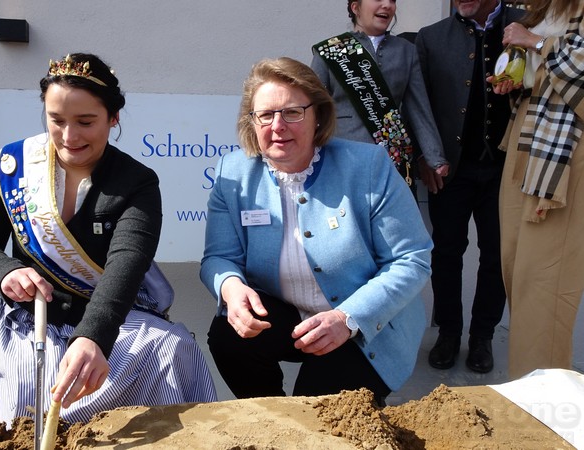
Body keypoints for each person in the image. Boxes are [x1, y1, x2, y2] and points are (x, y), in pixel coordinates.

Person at [0, 53, 216, 426]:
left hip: (107, 313)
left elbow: (126, 265)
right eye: (56, 120)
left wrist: (93, 337)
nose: (69, 136)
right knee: (28, 375)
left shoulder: (137, 182)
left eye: (85, 122)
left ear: (113, 119)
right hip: (32, 316)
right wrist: (3, 270)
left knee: (173, 350)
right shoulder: (16, 165)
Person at [200, 57, 432, 406]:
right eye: (266, 115)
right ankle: (272, 419)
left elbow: (411, 260)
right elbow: (219, 257)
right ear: (252, 121)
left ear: (318, 115)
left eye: (293, 112)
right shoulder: (233, 173)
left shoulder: (368, 166)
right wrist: (230, 287)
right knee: (227, 338)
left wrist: (347, 318)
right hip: (290, 314)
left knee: (319, 411)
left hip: (364, 329)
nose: (277, 126)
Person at [415, 0, 524, 373]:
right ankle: (448, 333)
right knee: (446, 254)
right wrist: (423, 159)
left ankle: (483, 337)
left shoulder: (527, 26)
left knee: (497, 256)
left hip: (506, 169)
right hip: (450, 169)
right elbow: (419, 105)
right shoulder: (431, 39)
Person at [490, 0, 584, 379]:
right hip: (529, 143)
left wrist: (534, 42)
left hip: (564, 157)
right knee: (518, 271)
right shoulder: (546, 9)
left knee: (546, 282)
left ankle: (542, 399)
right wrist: (515, 79)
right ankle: (528, 387)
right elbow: (545, 77)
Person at [311, 0, 449, 194]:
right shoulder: (330, 50)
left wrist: (435, 157)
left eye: (392, 0)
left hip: (392, 160)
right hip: (344, 157)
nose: (387, 5)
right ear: (355, 7)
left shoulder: (406, 51)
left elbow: (419, 108)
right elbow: (312, 109)